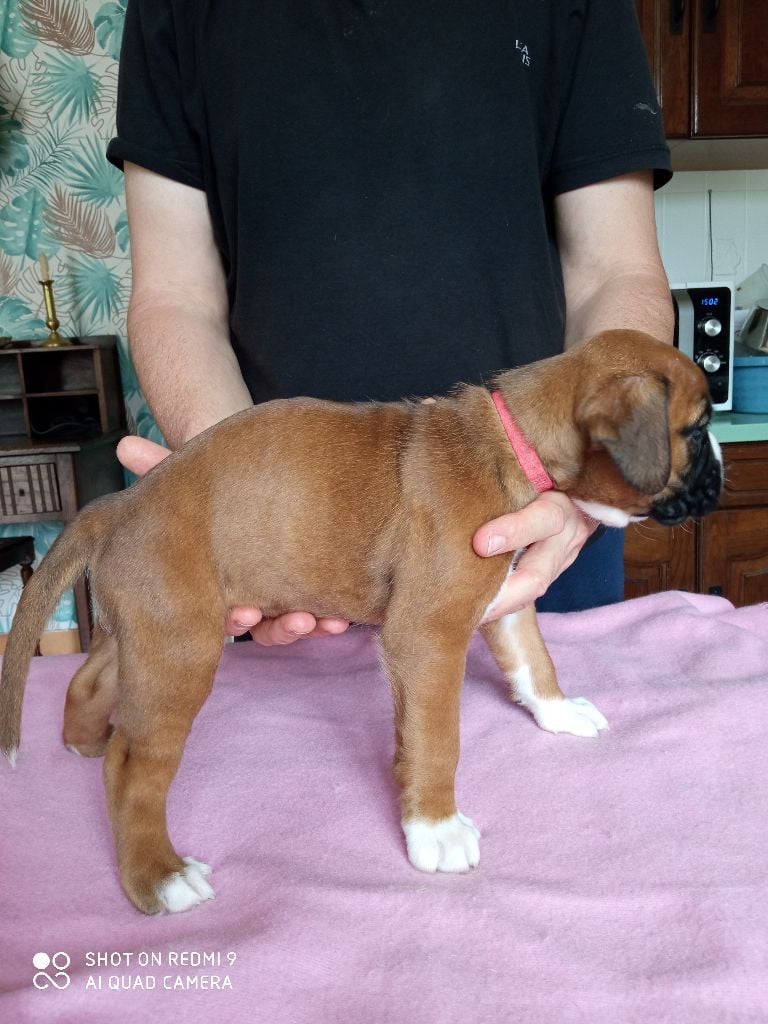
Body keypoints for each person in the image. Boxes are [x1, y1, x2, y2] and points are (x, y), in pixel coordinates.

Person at [107, 0, 674, 646]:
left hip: (539, 539)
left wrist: (581, 489)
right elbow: (176, 296)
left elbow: (615, 273)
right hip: (287, 547)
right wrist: (244, 498)